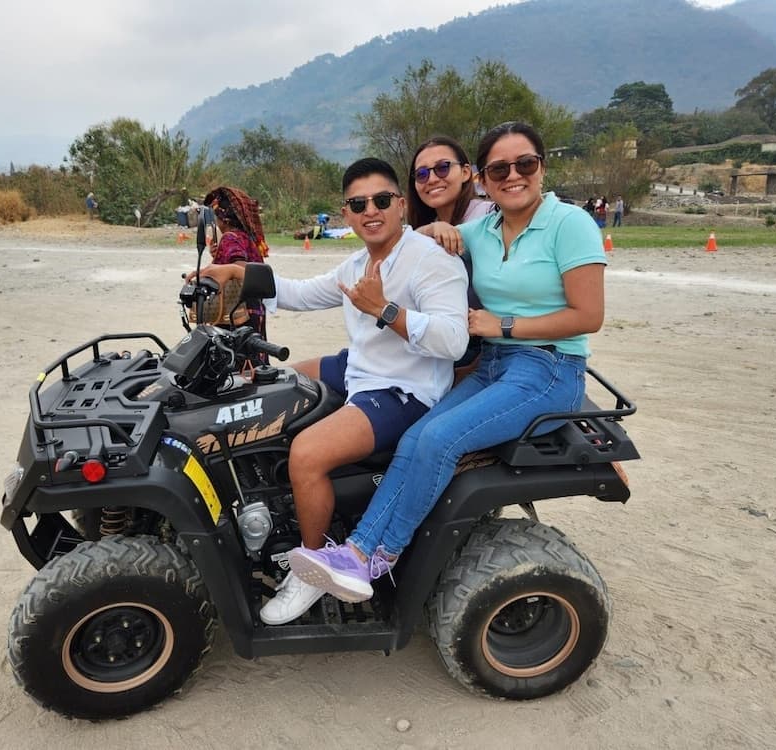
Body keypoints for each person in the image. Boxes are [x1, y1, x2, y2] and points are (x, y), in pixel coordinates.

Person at [288, 121, 607, 603]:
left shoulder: (569, 223)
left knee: (439, 438)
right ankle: (356, 552)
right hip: (494, 364)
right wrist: (436, 227)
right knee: (416, 436)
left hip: (549, 367)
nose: (513, 175)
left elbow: (588, 317)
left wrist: (501, 325)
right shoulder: (483, 229)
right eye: (499, 169)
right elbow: (417, 242)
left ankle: (376, 554)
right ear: (482, 178)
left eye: (525, 163)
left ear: (542, 167)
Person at [193, 158, 469, 624]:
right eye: (358, 204)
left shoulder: (431, 261)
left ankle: (313, 568)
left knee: (307, 454)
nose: (371, 211)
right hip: (360, 367)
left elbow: (454, 340)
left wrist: (385, 310)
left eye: (381, 200)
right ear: (346, 213)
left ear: (401, 204)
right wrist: (236, 273)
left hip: (405, 388)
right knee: (271, 385)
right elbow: (300, 292)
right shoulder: (358, 263)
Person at [406, 135, 496, 379]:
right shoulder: (426, 226)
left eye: (443, 168)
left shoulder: (487, 215)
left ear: (466, 172)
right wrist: (431, 229)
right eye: (422, 174)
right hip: (445, 336)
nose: (432, 179)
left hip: (482, 342)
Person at [201, 186, 270, 360]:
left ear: (224, 219)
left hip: (237, 313)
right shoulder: (245, 237)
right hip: (253, 309)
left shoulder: (230, 238)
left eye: (216, 217)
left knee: (236, 361)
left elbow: (240, 268)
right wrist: (218, 256)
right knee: (254, 358)